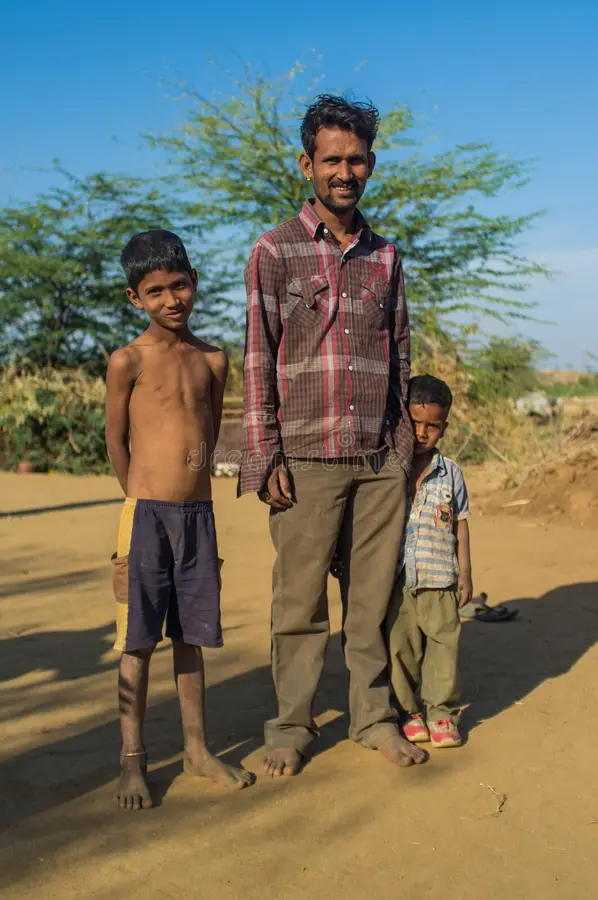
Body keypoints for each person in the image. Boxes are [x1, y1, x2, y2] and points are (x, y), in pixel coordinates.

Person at [238, 94, 427, 776]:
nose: (344, 171)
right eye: (331, 159)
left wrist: (404, 450)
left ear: (371, 164)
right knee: (299, 603)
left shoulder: (387, 256)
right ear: (306, 164)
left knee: (373, 600)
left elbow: (401, 354)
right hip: (306, 461)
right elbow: (258, 355)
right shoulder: (274, 250)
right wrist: (263, 457)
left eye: (355, 159)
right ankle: (290, 726)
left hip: (379, 459)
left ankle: (373, 718)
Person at [105, 229, 254, 810]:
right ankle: (133, 761)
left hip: (198, 517)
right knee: (137, 641)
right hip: (144, 517)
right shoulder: (127, 361)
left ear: (195, 283)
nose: (172, 300)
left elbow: (212, 431)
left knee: (191, 637)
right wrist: (138, 497)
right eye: (156, 291)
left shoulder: (213, 360)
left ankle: (196, 749)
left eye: (180, 286)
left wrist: (189, 487)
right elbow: (116, 440)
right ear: (134, 298)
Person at [384, 374, 473, 749]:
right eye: (415, 423)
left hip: (440, 578)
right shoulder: (388, 469)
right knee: (400, 649)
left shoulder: (451, 472)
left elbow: (461, 524)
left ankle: (440, 713)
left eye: (432, 426)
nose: (422, 433)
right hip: (397, 579)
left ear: (445, 427)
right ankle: (408, 713)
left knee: (443, 647)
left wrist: (465, 572)